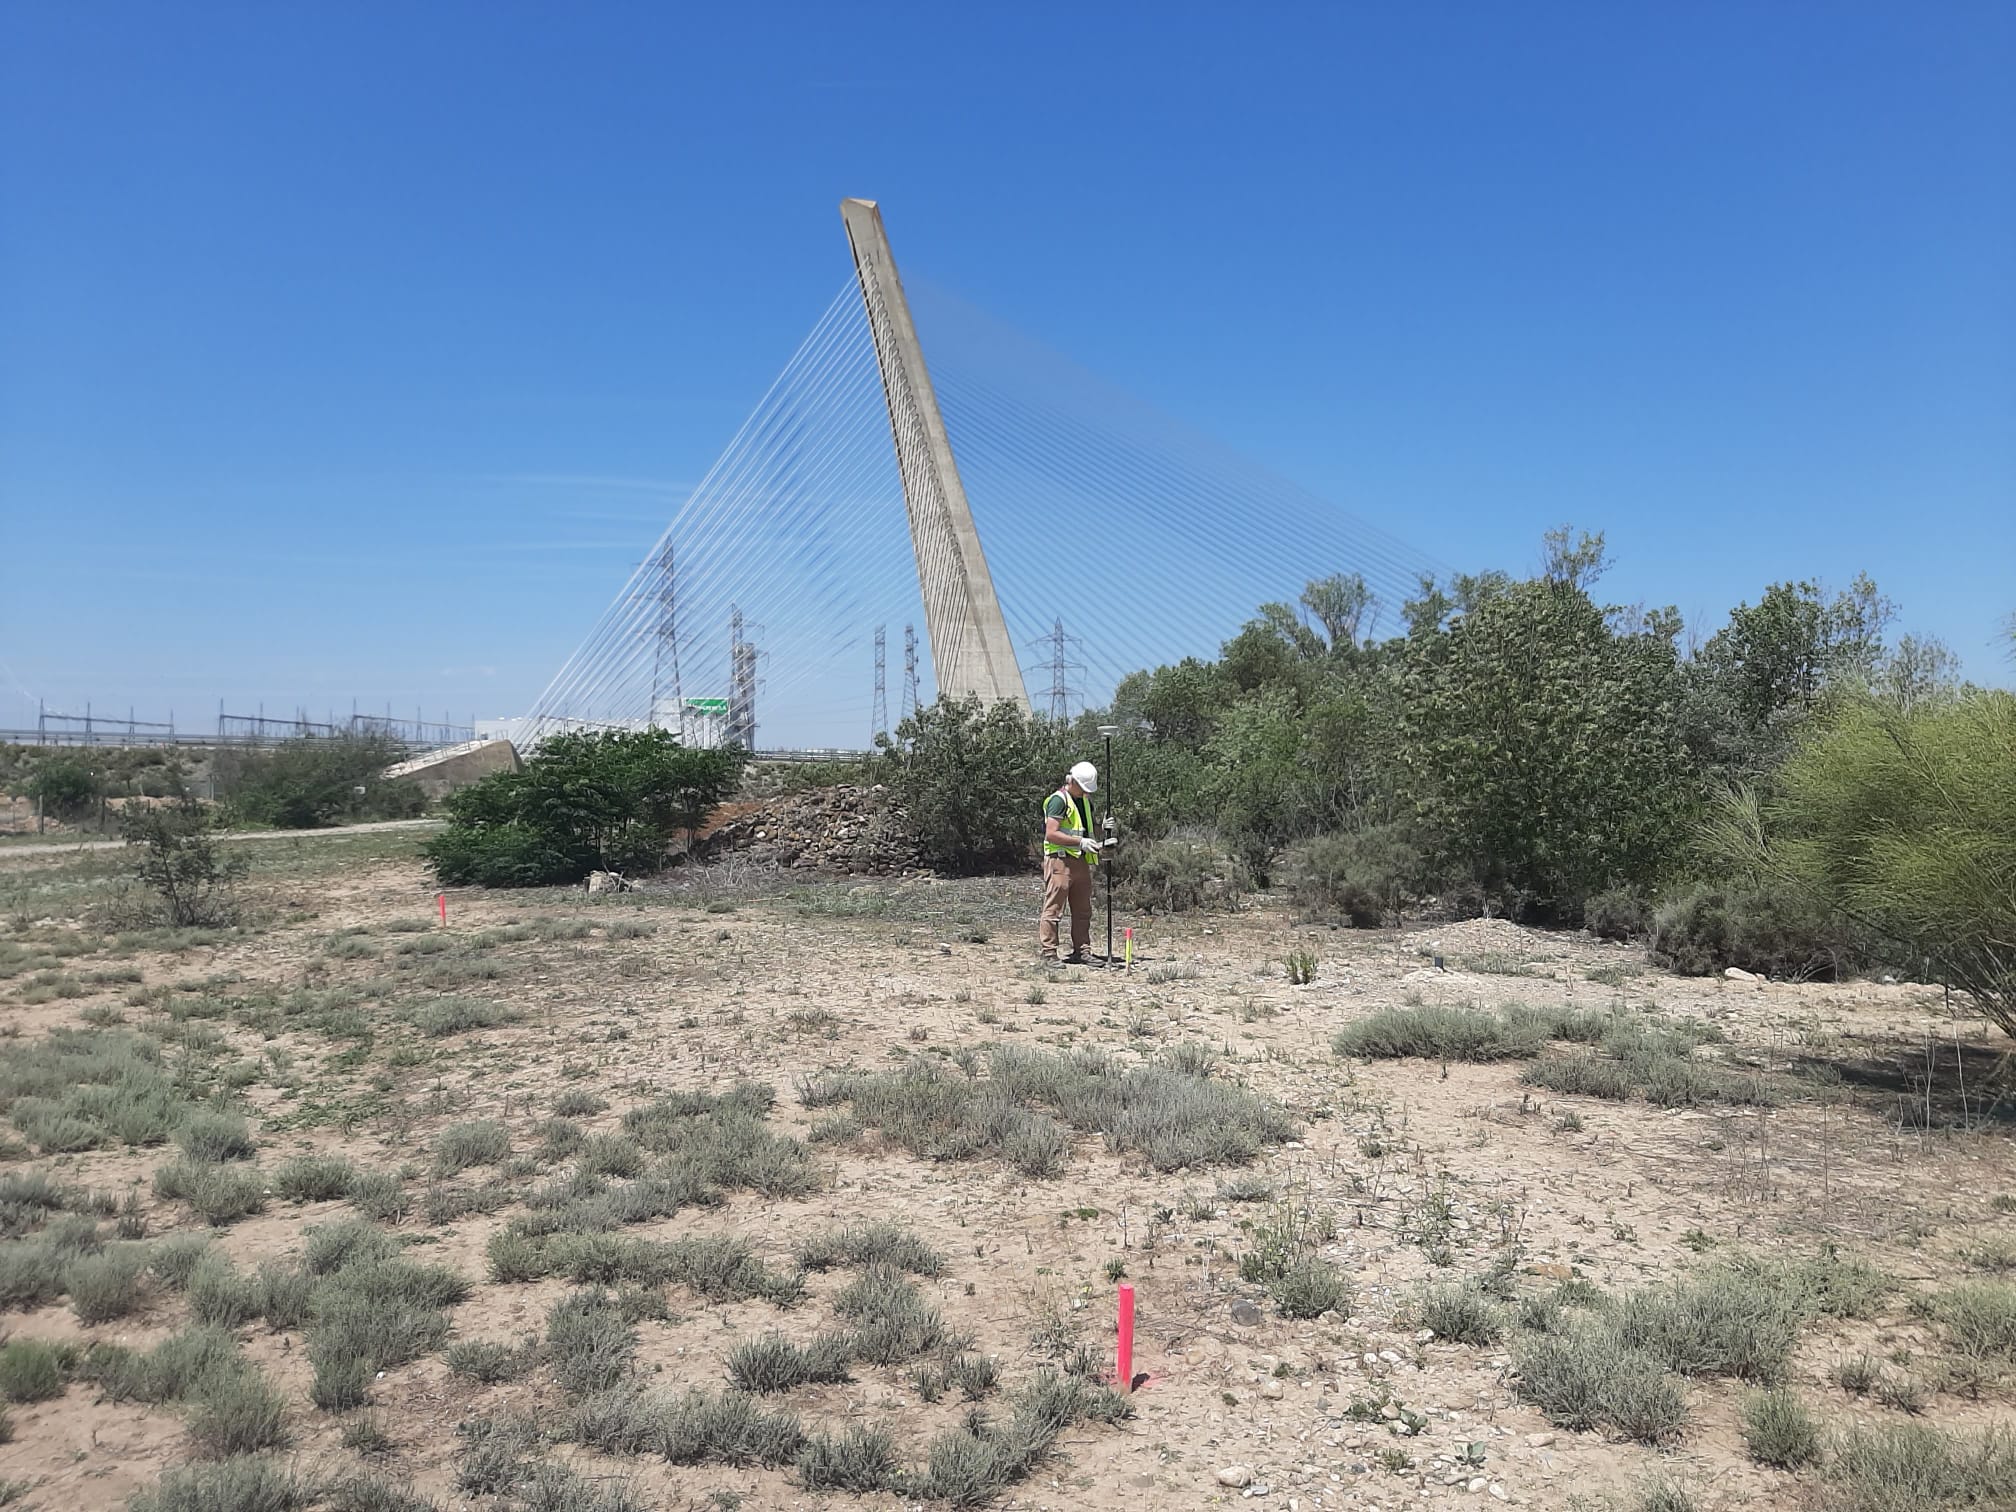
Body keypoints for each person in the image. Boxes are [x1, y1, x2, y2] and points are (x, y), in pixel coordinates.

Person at [1038, 760, 1101, 965]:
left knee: (1083, 910)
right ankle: (1049, 953)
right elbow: (1051, 834)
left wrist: (1103, 828)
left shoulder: (1085, 801)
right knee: (1054, 909)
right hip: (1059, 861)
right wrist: (1080, 842)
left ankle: (1082, 951)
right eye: (1082, 787)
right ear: (1072, 781)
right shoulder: (1059, 801)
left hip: (1080, 860)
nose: (1085, 791)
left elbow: (1087, 828)